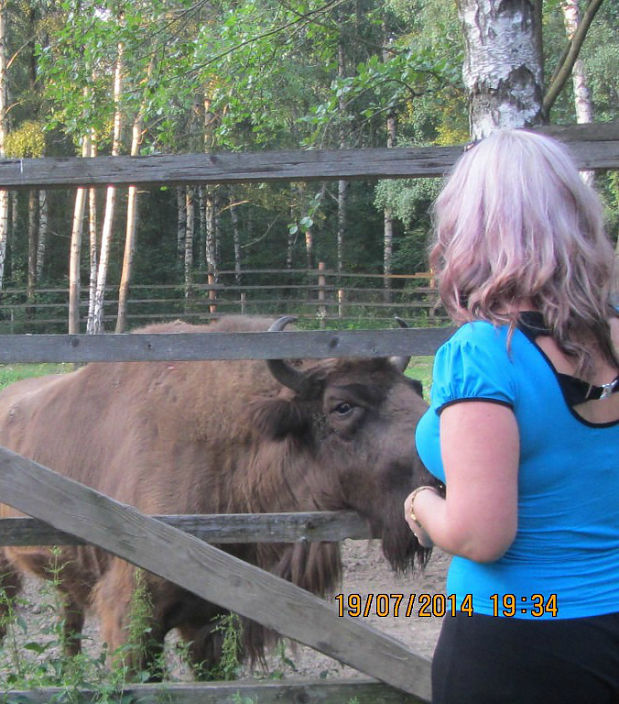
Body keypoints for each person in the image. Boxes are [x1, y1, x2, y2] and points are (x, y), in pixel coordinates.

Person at [404, 129, 619, 704]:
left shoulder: (483, 353)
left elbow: (481, 535)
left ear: (471, 228)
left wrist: (420, 503)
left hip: (521, 640)